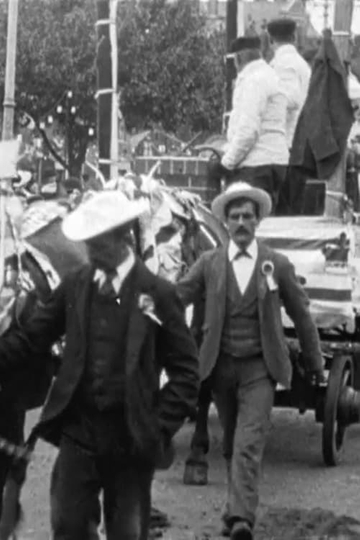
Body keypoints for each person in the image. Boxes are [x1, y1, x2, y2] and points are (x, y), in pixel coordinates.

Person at [0, 190, 199, 540]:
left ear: (121, 237)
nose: (88, 251)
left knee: (126, 532)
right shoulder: (76, 286)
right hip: (80, 433)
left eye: (96, 243)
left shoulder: (159, 295)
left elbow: (186, 373)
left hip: (131, 438)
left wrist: (158, 425)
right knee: (68, 525)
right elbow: (33, 338)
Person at [177, 182, 324, 540]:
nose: (241, 222)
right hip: (219, 366)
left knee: (248, 442)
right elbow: (177, 295)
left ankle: (242, 520)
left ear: (257, 221)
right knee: (230, 441)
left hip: (260, 369)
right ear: (225, 223)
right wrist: (141, 298)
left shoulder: (276, 264)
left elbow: (302, 315)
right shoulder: (209, 264)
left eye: (247, 216)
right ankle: (234, 507)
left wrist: (316, 363)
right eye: (234, 216)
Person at [209, 36, 288, 209]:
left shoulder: (253, 80)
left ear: (238, 58)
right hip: (275, 162)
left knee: (249, 221)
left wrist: (226, 163)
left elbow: (248, 131)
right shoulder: (271, 75)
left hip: (257, 166)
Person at [267, 18, 311, 214]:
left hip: (287, 145)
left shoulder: (283, 64)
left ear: (270, 39)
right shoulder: (299, 63)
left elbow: (290, 98)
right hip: (299, 144)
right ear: (294, 37)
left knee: (285, 211)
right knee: (293, 207)